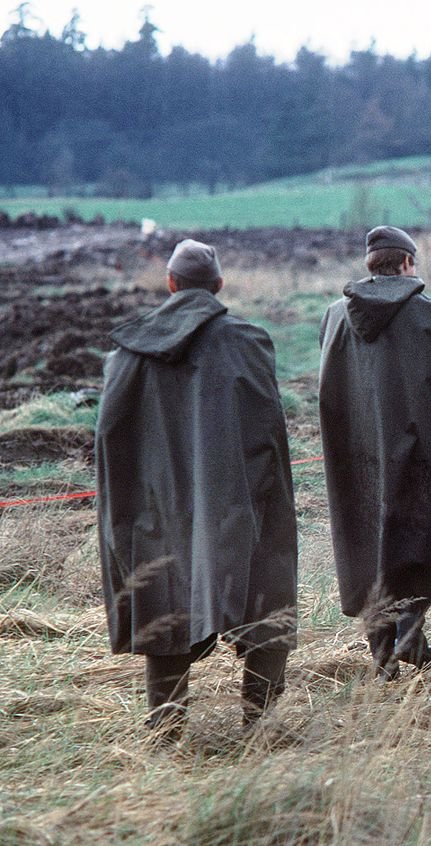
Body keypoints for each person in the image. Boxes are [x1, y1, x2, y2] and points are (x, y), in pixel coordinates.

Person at [96, 239, 297, 741]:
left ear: (170, 284)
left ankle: (166, 731)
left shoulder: (127, 355)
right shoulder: (247, 342)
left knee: (163, 603)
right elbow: (269, 435)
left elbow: (110, 443)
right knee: (263, 604)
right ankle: (261, 725)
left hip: (156, 511)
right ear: (219, 287)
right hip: (236, 510)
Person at [319, 225, 431, 680]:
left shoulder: (335, 315)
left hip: (357, 460)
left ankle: (387, 652)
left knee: (373, 550)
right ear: (408, 263)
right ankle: (408, 639)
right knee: (422, 545)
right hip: (420, 458)